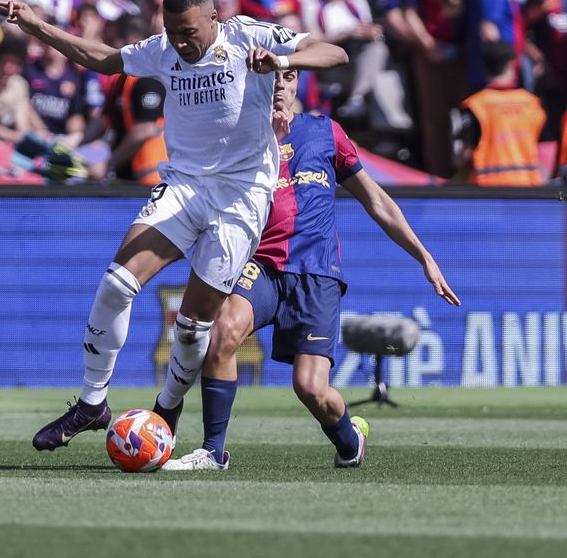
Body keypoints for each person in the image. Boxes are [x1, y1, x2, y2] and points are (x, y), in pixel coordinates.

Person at [0, 0, 347, 451]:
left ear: (213, 21)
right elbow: (104, 58)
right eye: (173, 32)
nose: (181, 44)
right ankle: (92, 402)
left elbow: (334, 53)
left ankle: (167, 408)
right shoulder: (163, 49)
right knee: (117, 282)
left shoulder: (247, 36)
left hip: (241, 199)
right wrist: (37, 26)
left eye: (189, 33)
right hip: (185, 185)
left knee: (193, 326)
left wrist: (282, 61)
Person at [164, 68, 460, 471]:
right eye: (270, 79)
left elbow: (377, 201)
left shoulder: (325, 132)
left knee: (310, 388)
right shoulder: (240, 135)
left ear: (298, 80)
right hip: (263, 266)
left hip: (317, 276)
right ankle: (213, 451)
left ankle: (350, 438)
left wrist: (424, 257)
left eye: (287, 77)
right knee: (224, 331)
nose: (279, 86)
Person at [456, 41, 547, 186]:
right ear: (511, 64)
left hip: (488, 190)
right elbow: (545, 149)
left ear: (484, 67)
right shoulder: (532, 104)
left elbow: (466, 155)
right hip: (529, 189)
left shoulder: (475, 105)